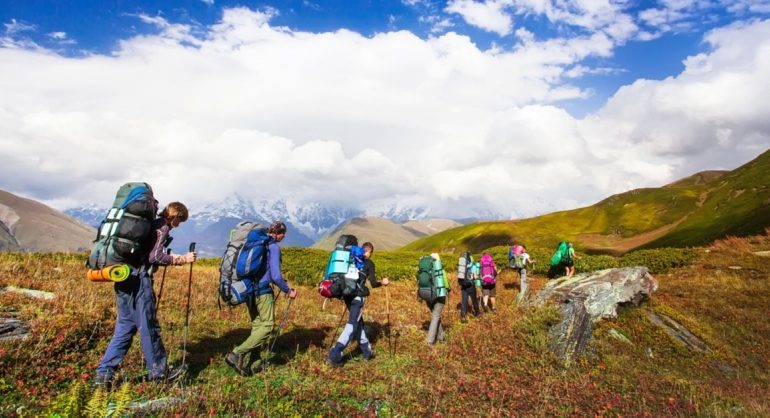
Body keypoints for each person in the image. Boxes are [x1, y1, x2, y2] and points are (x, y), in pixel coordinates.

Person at [94, 202, 196, 387]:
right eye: (180, 220)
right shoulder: (162, 228)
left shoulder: (150, 225)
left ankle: (103, 376)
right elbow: (155, 257)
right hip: (139, 281)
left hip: (124, 277)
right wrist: (181, 259)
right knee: (149, 327)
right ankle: (160, 373)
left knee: (125, 327)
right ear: (175, 216)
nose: (179, 225)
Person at [225, 221, 297, 376]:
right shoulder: (273, 247)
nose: (284, 237)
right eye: (283, 234)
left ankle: (254, 364)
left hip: (249, 290)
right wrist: (288, 290)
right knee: (268, 325)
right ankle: (237, 353)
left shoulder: (257, 243)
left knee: (258, 326)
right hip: (263, 292)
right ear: (279, 233)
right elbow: (276, 276)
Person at [328, 241, 389, 367]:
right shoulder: (369, 263)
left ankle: (367, 352)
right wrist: (382, 282)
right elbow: (373, 283)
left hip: (347, 296)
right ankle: (335, 354)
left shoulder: (351, 260)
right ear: (369, 252)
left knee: (358, 323)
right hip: (358, 297)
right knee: (352, 324)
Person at [424, 253, 449, 344]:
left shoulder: (425, 269)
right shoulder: (440, 268)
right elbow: (446, 284)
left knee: (436, 316)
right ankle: (430, 341)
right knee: (436, 316)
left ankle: (441, 337)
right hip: (439, 296)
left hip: (427, 296)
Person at [458, 253, 480, 323]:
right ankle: (477, 313)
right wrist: (478, 277)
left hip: (463, 285)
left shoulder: (462, 266)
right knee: (474, 299)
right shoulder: (472, 266)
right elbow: (475, 276)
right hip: (470, 284)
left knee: (464, 300)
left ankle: (463, 316)